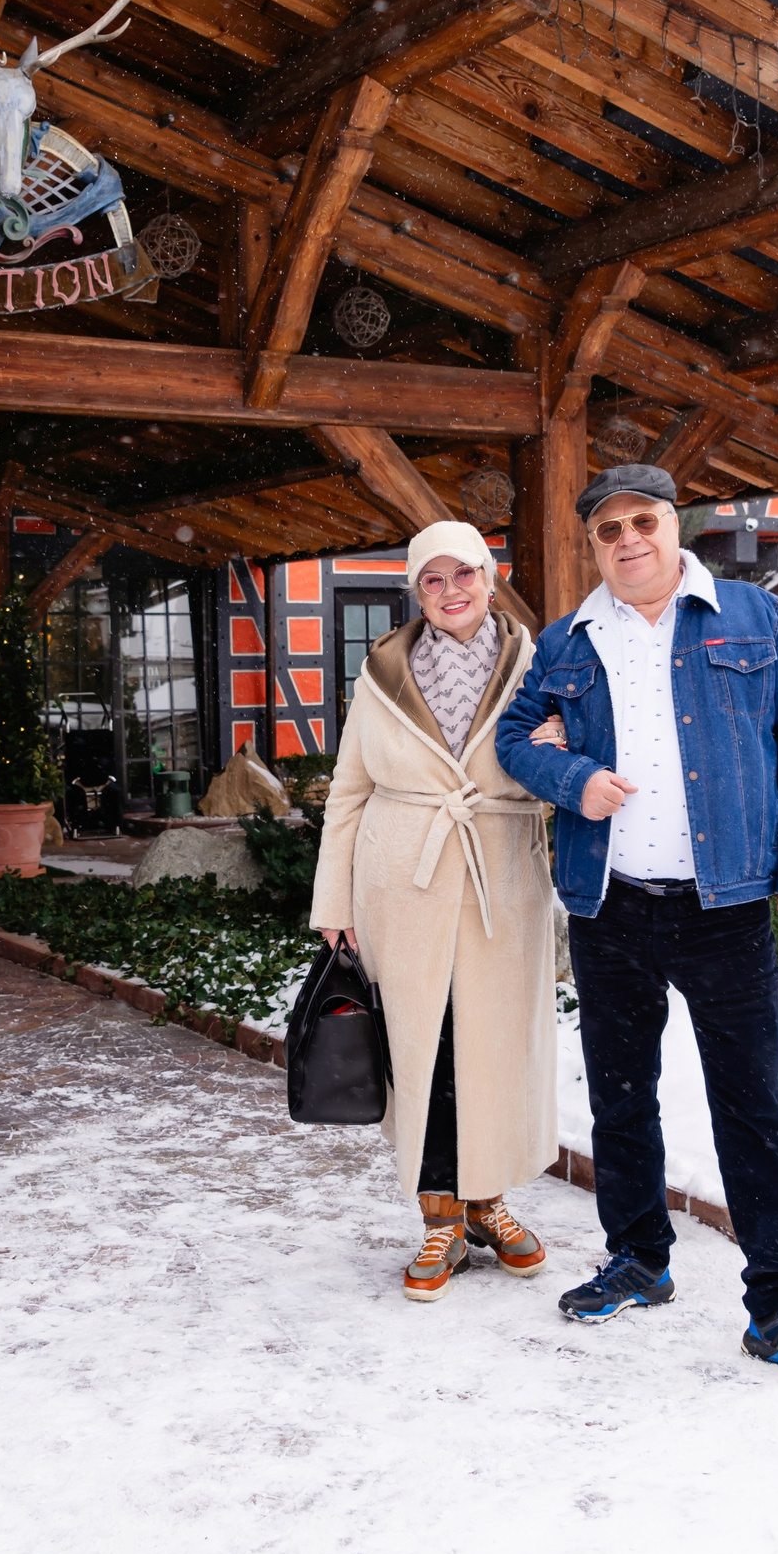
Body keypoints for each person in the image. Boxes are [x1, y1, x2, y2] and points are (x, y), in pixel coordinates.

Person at [494, 464, 778, 1388]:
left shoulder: (755, 619)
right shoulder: (568, 639)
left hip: (724, 905)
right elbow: (512, 739)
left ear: (674, 526)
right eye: (609, 529)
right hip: (609, 900)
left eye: (643, 522)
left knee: (751, 1110)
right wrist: (570, 779)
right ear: (595, 545)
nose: (628, 540)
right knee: (621, 1096)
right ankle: (639, 1258)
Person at [310, 522, 560, 1301]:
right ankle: (440, 1215)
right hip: (403, 881)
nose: (451, 591)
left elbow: (578, 753)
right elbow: (348, 790)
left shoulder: (538, 662)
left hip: (501, 880)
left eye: (464, 574)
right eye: (432, 579)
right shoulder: (382, 671)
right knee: (424, 1048)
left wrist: (559, 741)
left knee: (493, 1046)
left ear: (490, 578)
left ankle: (489, 1201)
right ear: (415, 591)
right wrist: (334, 900)